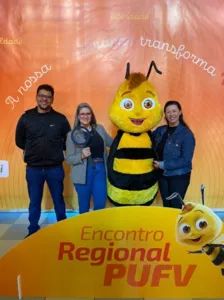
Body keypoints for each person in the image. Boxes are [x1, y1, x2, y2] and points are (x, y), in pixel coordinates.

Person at [15, 84, 71, 237]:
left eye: (48, 96)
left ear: (52, 99)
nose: (44, 99)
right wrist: (30, 151)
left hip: (55, 168)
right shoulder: (26, 117)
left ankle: (62, 226)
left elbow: (68, 140)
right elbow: (19, 140)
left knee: (58, 198)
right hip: (33, 169)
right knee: (34, 201)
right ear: (36, 97)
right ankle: (33, 228)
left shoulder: (60, 119)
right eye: (41, 95)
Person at [66, 103, 113, 214]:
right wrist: (81, 156)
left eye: (88, 113)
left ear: (91, 115)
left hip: (100, 169)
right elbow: (69, 158)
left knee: (100, 203)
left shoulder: (99, 129)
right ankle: (84, 229)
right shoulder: (71, 135)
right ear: (78, 116)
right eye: (82, 114)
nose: (85, 116)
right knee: (84, 205)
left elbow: (112, 143)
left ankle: (97, 229)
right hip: (82, 172)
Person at [152, 100, 196, 209]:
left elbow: (186, 160)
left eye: (174, 111)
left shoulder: (186, 134)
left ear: (180, 112)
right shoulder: (160, 131)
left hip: (179, 177)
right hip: (162, 175)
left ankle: (175, 226)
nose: (171, 114)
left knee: (175, 207)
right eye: (168, 112)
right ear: (165, 114)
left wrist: (163, 165)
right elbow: (146, 139)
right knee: (166, 206)